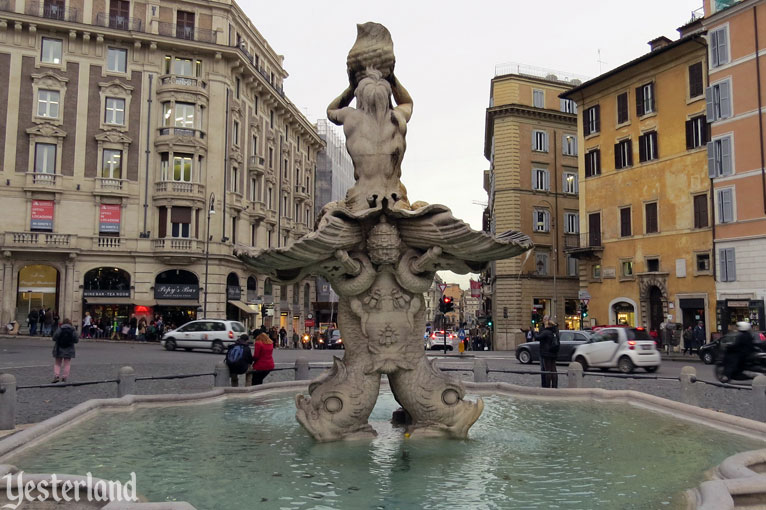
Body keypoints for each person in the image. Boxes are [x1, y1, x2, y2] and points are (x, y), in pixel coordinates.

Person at [51, 318, 78, 383]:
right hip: (69, 348)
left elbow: (54, 338)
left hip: (59, 348)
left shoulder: (60, 328)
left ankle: (57, 376)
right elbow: (76, 340)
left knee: (57, 363)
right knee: (67, 364)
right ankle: (64, 377)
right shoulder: (73, 329)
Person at [537, 316, 560, 389]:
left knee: (547, 370)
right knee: (553, 369)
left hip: (546, 352)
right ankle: (554, 385)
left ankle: (547, 386)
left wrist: (532, 332)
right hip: (554, 351)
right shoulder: (555, 330)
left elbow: (538, 337)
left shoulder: (546, 331)